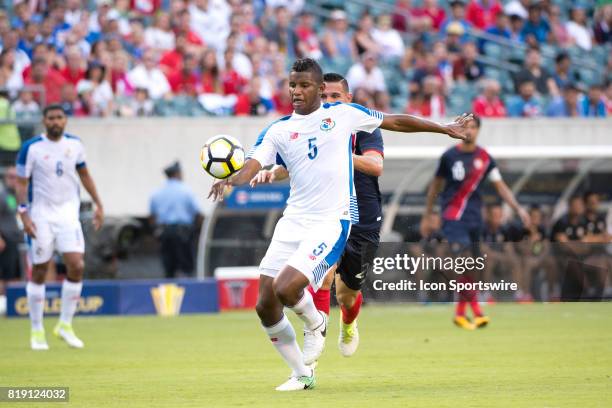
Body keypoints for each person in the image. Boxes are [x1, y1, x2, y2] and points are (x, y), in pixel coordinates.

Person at [208, 58, 471, 391]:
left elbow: (396, 122)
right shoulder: (277, 129)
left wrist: (444, 128)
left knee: (288, 289)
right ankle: (302, 373)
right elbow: (253, 163)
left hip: (331, 220)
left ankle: (317, 324)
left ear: (319, 89)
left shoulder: (343, 116)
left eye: (304, 85)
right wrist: (232, 179)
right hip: (294, 221)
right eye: (292, 85)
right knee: (265, 305)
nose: (296, 91)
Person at [250, 72, 384, 358]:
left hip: (363, 218)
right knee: (322, 279)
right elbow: (293, 163)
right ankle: (314, 346)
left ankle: (349, 323)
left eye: (336, 97)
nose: (330, 102)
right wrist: (271, 172)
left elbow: (375, 166)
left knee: (347, 295)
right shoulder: (313, 127)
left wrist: (336, 151)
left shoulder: (362, 126)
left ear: (348, 99)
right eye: (325, 97)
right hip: (326, 217)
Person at [421, 114, 530, 330]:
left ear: (478, 130)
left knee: (473, 266)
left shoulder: (485, 158)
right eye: (465, 127)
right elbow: (435, 186)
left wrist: (518, 209)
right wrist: (428, 213)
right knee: (465, 260)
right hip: (452, 216)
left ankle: (461, 313)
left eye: (472, 127)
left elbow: (500, 186)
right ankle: (477, 310)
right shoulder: (449, 157)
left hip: (474, 219)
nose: (468, 131)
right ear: (459, 129)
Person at [16, 105, 104, 350]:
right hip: (41, 215)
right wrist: (23, 213)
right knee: (41, 269)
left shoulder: (75, 145)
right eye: (51, 118)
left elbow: (85, 175)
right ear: (44, 121)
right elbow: (21, 182)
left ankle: (65, 324)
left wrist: (98, 203)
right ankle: (36, 330)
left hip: (68, 215)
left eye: (60, 117)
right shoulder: (31, 147)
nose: (56, 121)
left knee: (77, 264)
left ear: (65, 120)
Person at [149, 161, 202, 279]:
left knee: (168, 269)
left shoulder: (157, 193)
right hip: (183, 233)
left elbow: (152, 217)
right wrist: (196, 231)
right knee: (186, 268)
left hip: (165, 233)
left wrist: (156, 234)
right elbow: (197, 213)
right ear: (177, 174)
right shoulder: (186, 191)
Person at [0, 166, 22, 315]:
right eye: (11, 177)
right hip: (4, 239)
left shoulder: (15, 196)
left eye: (17, 177)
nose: (14, 180)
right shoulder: (2, 195)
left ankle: (10, 305)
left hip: (15, 240)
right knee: (3, 274)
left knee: (13, 274)